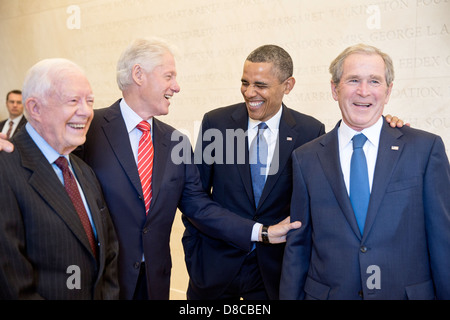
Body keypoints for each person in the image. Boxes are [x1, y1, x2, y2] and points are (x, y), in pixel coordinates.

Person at [75, 37, 298, 300]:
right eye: (169, 76)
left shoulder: (175, 141)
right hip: (99, 280)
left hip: (154, 283)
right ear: (138, 75)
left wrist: (261, 232)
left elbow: (197, 205)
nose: (176, 87)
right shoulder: (88, 128)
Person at [183, 44, 406, 300]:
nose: (249, 92)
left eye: (261, 85)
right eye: (245, 83)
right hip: (213, 271)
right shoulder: (216, 124)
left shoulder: (310, 132)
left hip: (274, 277)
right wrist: (193, 251)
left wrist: (385, 126)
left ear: (288, 85)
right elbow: (194, 197)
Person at [280, 43, 450, 300]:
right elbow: (298, 246)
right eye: (353, 80)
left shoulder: (425, 149)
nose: (363, 91)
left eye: (374, 81)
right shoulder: (306, 158)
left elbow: (443, 242)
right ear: (334, 89)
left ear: (388, 91)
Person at [0, 58, 119, 299]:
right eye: (73, 101)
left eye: (90, 101)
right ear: (35, 108)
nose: (86, 111)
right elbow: (11, 283)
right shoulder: (5, 168)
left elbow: (109, 255)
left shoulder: (84, 171)